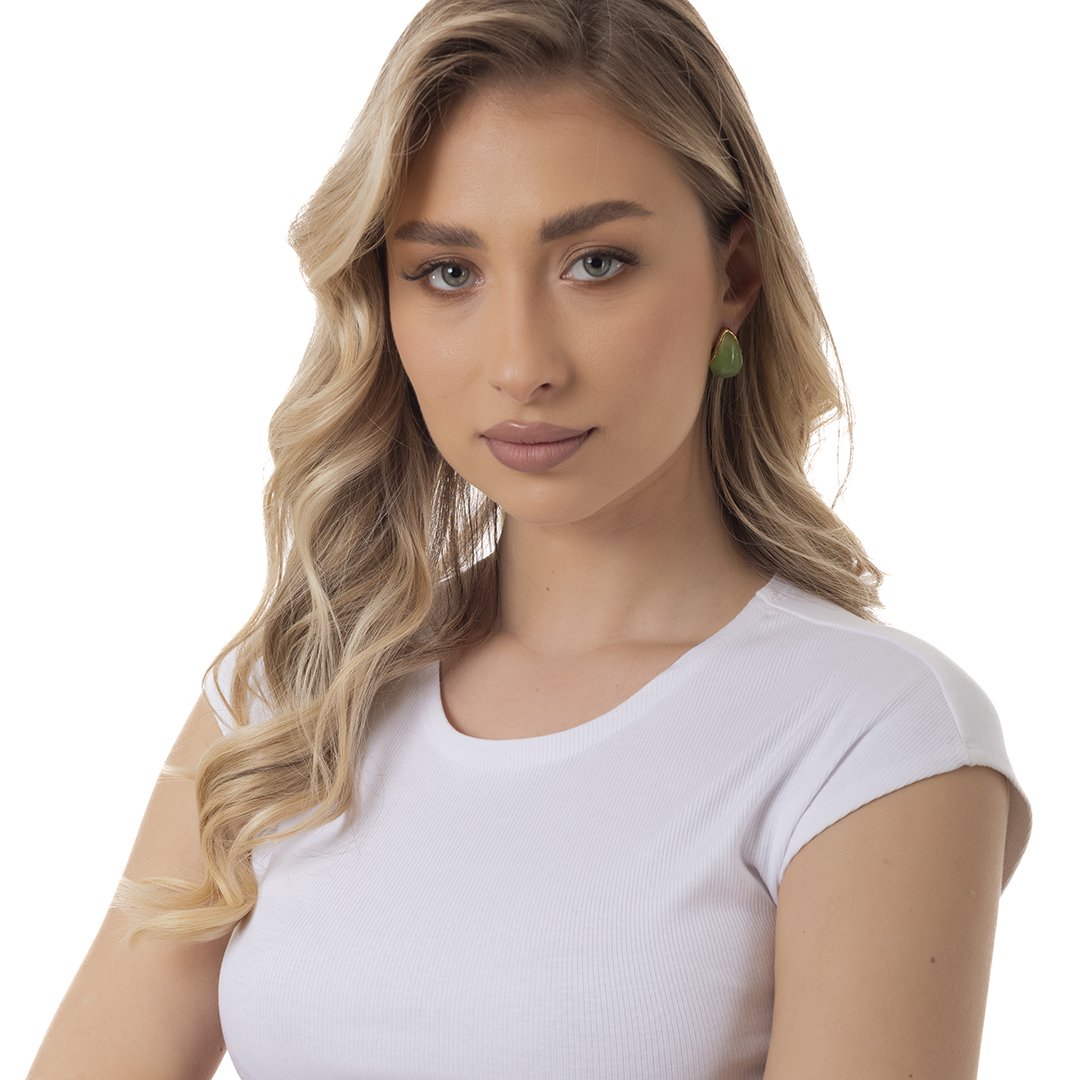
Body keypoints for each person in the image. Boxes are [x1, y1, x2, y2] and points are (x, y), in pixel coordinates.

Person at [28, 0, 1033, 1077]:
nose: (522, 366)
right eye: (447, 272)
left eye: (596, 263)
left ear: (733, 276)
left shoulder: (868, 736)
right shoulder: (293, 696)